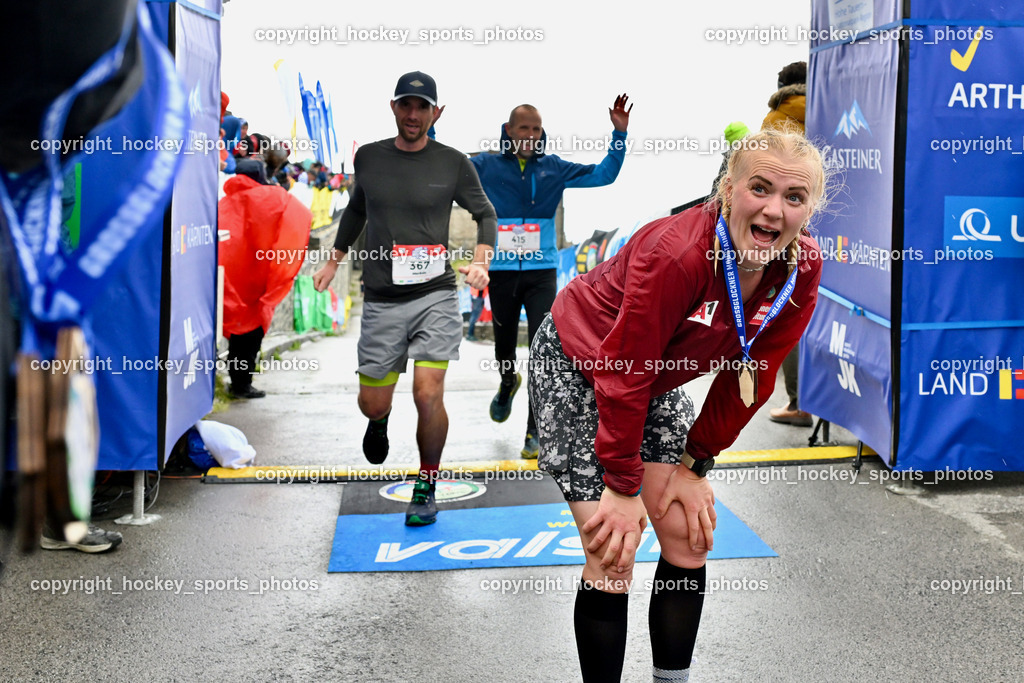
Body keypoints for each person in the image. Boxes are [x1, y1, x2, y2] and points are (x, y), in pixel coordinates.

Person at [528, 129, 827, 682]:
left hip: (649, 376)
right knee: (613, 550)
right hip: (578, 360)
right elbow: (624, 370)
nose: (773, 209)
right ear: (727, 190)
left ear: (810, 208)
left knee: (689, 535)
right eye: (759, 188)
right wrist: (621, 487)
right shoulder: (678, 252)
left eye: (794, 197)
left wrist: (696, 463)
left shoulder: (802, 268)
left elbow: (753, 375)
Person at [313, 71, 496, 526]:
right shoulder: (370, 158)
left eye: (422, 107)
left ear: (437, 112)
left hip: (435, 294)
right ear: (393, 107)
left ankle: (426, 484)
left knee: (427, 391)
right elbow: (357, 209)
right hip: (381, 297)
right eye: (406, 105)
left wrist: (482, 261)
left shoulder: (453, 162)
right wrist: (334, 258)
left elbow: (485, 212)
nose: (414, 115)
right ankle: (378, 421)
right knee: (374, 401)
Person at [472, 94, 632, 460]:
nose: (529, 134)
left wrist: (618, 134)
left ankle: (535, 430)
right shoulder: (486, 165)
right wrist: (430, 128)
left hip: (541, 271)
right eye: (523, 128)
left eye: (536, 129)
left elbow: (604, 174)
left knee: (544, 350)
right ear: (509, 131)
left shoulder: (554, 168)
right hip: (502, 270)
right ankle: (508, 382)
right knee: (504, 345)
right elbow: (445, 167)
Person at [762, 60, 813, 427]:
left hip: (794, 228)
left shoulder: (775, 118)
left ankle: (799, 403)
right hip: (843, 220)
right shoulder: (830, 107)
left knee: (792, 310)